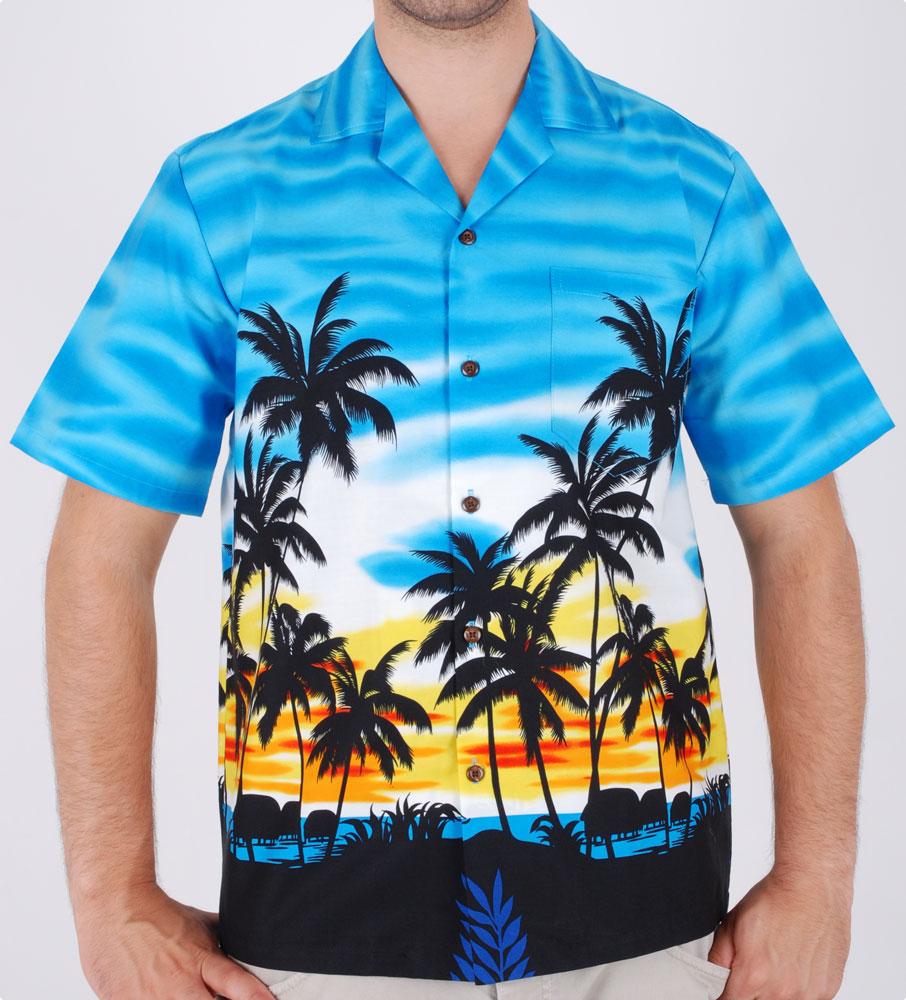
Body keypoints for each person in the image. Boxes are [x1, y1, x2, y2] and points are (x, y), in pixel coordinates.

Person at [10, 1, 894, 998]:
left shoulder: (693, 185)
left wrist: (820, 878)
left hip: (653, 938)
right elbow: (99, 553)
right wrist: (109, 897)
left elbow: (801, 541)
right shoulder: (216, 196)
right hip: (312, 948)